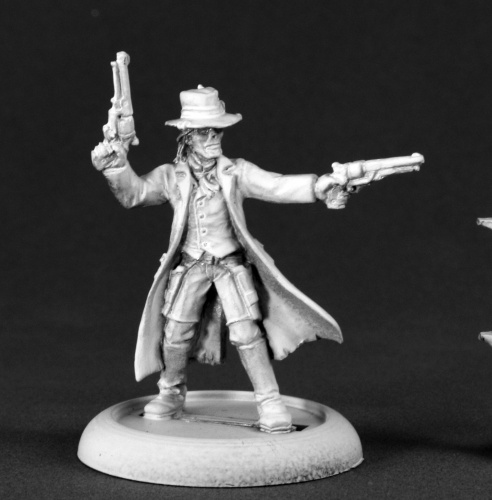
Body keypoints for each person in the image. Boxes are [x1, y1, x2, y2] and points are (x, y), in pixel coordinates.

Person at [91, 86, 348, 433]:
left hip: (229, 266)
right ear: (187, 137)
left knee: (247, 333)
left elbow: (276, 185)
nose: (213, 137)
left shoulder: (236, 172)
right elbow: (134, 194)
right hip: (190, 266)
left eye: (217, 131)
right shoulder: (171, 176)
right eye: (204, 132)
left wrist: (319, 187)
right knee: (175, 332)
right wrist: (115, 166)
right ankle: (171, 393)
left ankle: (269, 402)